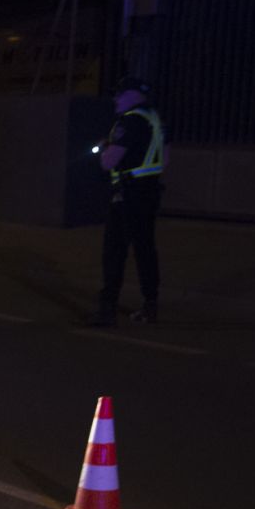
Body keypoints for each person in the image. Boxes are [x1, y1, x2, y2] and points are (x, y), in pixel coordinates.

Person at [91, 76, 166, 327]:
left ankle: (107, 310)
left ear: (133, 95)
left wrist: (104, 149)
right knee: (145, 250)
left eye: (119, 94)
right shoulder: (156, 120)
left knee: (114, 251)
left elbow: (108, 162)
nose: (115, 99)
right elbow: (164, 159)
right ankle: (150, 305)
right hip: (149, 192)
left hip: (127, 194)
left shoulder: (129, 121)